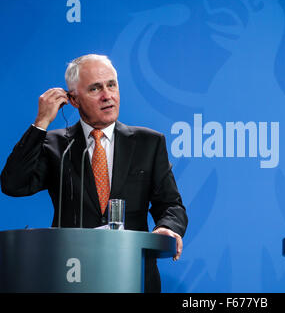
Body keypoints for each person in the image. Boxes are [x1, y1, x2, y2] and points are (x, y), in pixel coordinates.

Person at [0, 54, 188, 292]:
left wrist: (167, 228)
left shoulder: (149, 143)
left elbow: (171, 204)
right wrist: (41, 123)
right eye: (95, 88)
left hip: (132, 274)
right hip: (70, 276)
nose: (107, 95)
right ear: (74, 100)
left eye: (111, 85)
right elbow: (13, 184)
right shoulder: (56, 145)